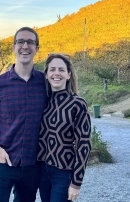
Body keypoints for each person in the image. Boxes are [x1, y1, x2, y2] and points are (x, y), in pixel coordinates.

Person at [0, 27, 47, 202]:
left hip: (32, 166)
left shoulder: (45, 83)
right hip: (2, 163)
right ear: (14, 47)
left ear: (37, 48)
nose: (25, 46)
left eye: (30, 42)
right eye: (20, 41)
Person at [37, 53, 91, 202]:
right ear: (46, 75)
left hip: (63, 173)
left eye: (61, 70)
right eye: (52, 69)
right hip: (42, 171)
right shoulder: (43, 102)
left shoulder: (77, 104)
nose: (56, 73)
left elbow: (84, 143)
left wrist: (76, 182)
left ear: (68, 75)